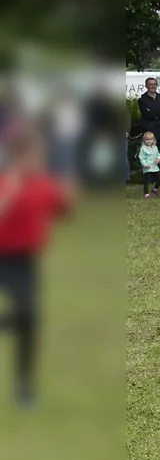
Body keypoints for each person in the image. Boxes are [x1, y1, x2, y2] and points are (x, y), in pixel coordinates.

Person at [0, 130, 71, 406]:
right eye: (31, 155)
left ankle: (25, 387)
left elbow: (64, 208)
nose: (37, 160)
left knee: (28, 318)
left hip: (25, 260)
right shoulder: (6, 182)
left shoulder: (43, 184)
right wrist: (13, 190)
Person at [136, 77, 160, 181]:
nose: (153, 86)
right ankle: (151, 178)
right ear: (146, 86)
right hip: (150, 130)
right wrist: (159, 113)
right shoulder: (142, 100)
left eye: (154, 84)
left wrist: (155, 113)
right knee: (150, 154)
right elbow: (147, 114)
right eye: (150, 84)